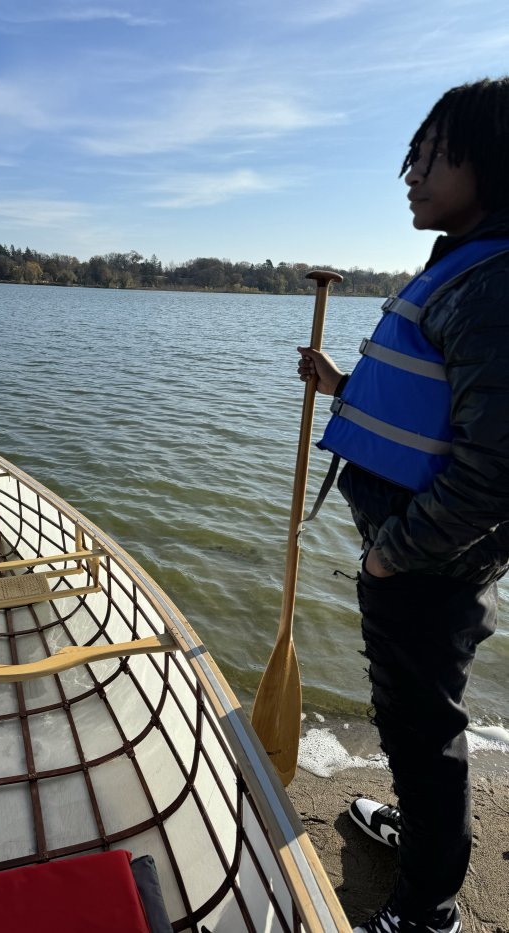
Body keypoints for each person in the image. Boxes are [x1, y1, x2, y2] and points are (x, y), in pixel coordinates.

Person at [297, 77, 509, 933]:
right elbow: (439, 414)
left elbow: (496, 467)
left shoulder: (492, 286)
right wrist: (342, 387)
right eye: (411, 157)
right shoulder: (468, 267)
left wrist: (395, 551)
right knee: (408, 714)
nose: (412, 175)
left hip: (425, 561)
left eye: (432, 156)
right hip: (420, 553)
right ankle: (424, 839)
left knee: (423, 730)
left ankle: (426, 905)